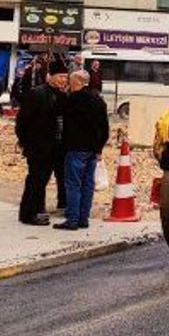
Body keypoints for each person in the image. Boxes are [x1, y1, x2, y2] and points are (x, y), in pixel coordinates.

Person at [15, 56, 69, 225]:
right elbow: (22, 121)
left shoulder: (62, 96)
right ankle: (28, 213)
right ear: (50, 76)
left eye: (65, 77)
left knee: (43, 180)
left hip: (56, 148)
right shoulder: (37, 93)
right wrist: (25, 142)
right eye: (60, 77)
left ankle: (39, 209)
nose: (63, 80)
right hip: (38, 147)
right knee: (35, 180)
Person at [53, 70, 109, 230]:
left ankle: (72, 219)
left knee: (73, 184)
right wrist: (99, 147)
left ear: (77, 82)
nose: (68, 84)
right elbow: (105, 127)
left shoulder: (73, 100)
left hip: (75, 147)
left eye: (70, 81)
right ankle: (83, 218)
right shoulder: (98, 100)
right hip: (92, 149)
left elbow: (60, 115)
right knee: (87, 184)